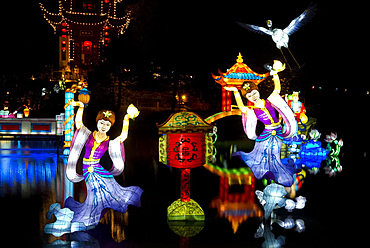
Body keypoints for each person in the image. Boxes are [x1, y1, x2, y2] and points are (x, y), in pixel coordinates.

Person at [45, 102, 143, 237]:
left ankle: (90, 218)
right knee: (93, 195)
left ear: (110, 126)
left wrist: (126, 119)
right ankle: (82, 218)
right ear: (97, 122)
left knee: (104, 195)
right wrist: (81, 107)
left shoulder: (109, 141)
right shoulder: (88, 134)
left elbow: (123, 137)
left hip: (98, 168)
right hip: (88, 169)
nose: (104, 127)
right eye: (102, 123)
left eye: (107, 125)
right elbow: (78, 123)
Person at [225, 61, 298, 187]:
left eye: (254, 93)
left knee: (275, 153)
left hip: (278, 131)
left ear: (257, 91)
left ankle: (277, 174)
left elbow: (277, 89)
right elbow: (242, 108)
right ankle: (269, 175)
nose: (253, 97)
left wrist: (275, 74)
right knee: (264, 155)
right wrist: (235, 92)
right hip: (267, 133)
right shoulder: (252, 110)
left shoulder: (270, 101)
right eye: (249, 96)